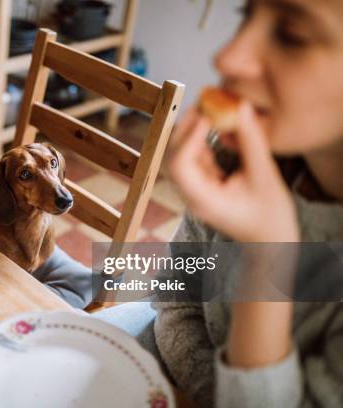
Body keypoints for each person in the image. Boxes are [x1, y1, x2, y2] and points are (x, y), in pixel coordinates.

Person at [95, 1, 343, 406]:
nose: (226, 56)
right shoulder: (234, 156)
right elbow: (176, 298)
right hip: (165, 345)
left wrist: (268, 254)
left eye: (292, 33)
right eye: (247, 13)